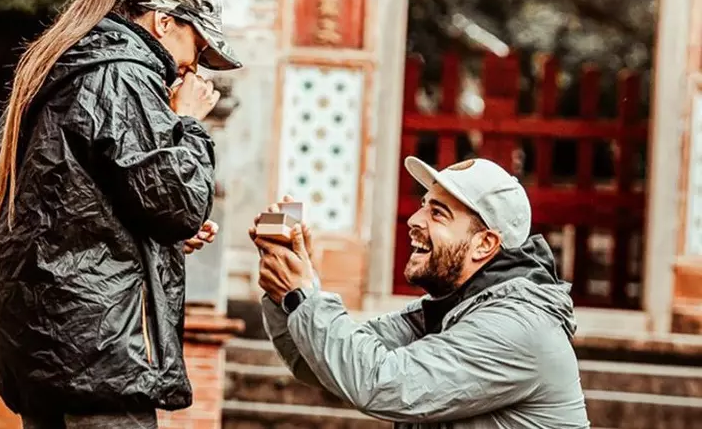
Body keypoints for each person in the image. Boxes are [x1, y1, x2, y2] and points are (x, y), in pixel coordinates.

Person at [0, 0, 241, 427]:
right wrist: (188, 123)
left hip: (43, 343)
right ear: (164, 22)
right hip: (99, 350)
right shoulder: (124, 75)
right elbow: (179, 204)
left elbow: (74, 209)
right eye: (198, 46)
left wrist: (162, 240)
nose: (194, 66)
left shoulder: (59, 67)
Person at [250, 157, 590, 429]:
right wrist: (288, 290)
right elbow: (316, 363)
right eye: (423, 205)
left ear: (484, 244)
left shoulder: (516, 327)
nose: (414, 219)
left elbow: (381, 383)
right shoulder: (444, 311)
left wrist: (302, 296)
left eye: (438, 214)